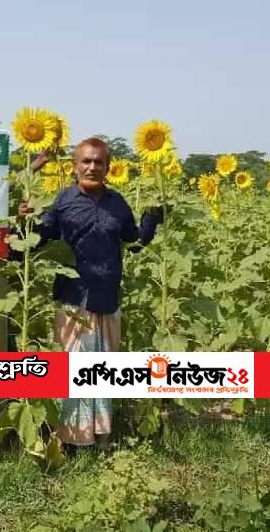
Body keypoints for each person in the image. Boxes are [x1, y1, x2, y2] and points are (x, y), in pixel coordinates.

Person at [18, 137, 164, 449]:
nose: (92, 167)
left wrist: (151, 222)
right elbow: (38, 240)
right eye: (86, 161)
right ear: (75, 166)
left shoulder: (117, 204)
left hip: (107, 296)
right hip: (73, 298)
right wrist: (25, 219)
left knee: (105, 368)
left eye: (99, 162)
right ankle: (71, 439)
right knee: (72, 369)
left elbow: (133, 241)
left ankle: (100, 436)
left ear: (108, 168)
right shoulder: (62, 201)